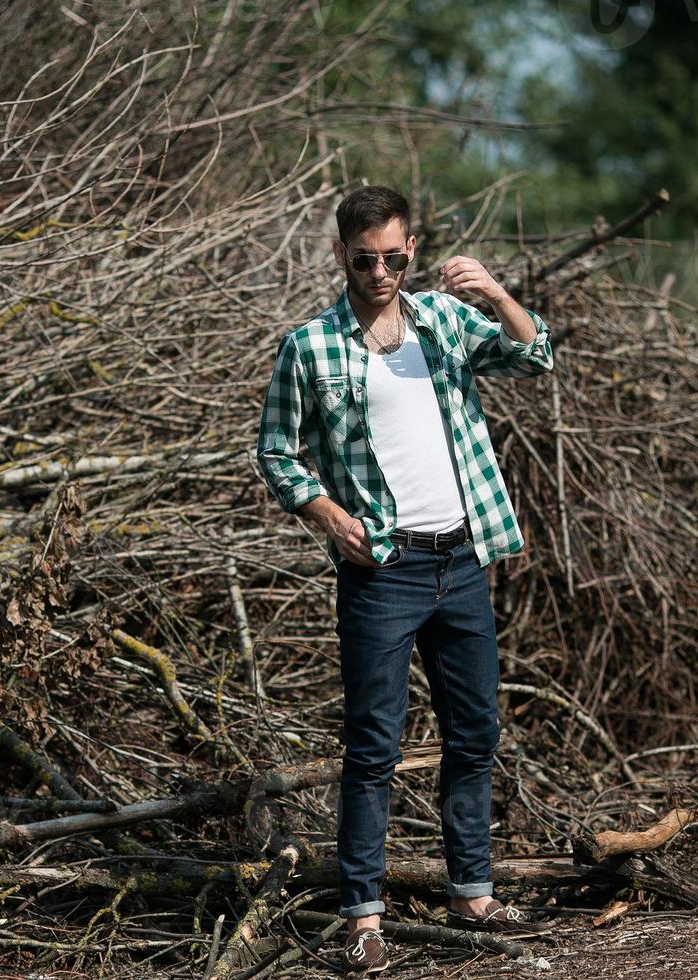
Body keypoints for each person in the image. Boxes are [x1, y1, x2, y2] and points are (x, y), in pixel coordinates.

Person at [254, 185, 556, 973]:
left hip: (461, 559)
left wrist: (494, 291)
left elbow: (534, 353)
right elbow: (277, 451)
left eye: (392, 257)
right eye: (364, 260)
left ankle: (474, 893)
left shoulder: (448, 322)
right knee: (373, 748)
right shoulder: (310, 346)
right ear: (340, 256)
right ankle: (363, 918)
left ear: (411, 250)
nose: (379, 271)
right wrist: (325, 513)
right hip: (381, 569)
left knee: (475, 733)